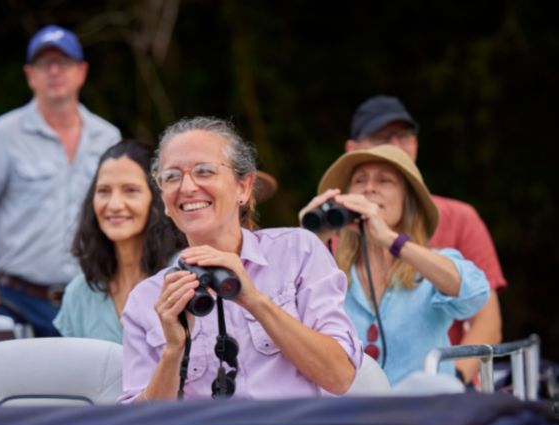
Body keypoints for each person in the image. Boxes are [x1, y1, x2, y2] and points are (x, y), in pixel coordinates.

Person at [119, 117, 362, 403]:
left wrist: (254, 300)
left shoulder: (298, 251)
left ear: (244, 188)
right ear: (164, 201)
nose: (186, 187)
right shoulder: (146, 299)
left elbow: (339, 377)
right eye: (171, 177)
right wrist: (174, 349)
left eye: (204, 171)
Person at [0, 25, 121, 337]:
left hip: (93, 299)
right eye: (43, 64)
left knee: (95, 386)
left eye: (62, 63)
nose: (53, 71)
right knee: (21, 387)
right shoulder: (2, 135)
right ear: (29, 75)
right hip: (17, 304)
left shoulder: (108, 137)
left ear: (81, 72)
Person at [340, 95, 507, 383]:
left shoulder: (460, 217)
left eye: (403, 136)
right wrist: (311, 238)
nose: (395, 146)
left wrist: (451, 379)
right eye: (381, 137)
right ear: (352, 150)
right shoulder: (336, 236)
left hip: (433, 388)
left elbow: (484, 315)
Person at [299, 145, 490, 385]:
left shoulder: (431, 266)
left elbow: (474, 295)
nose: (369, 188)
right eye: (359, 180)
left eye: (384, 181)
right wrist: (308, 239)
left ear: (407, 201)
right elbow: (277, 311)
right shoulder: (329, 275)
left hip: (421, 412)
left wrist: (390, 239)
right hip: (352, 413)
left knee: (433, 385)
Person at [52, 140, 186, 343]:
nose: (114, 204)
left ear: (157, 199)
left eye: (130, 190)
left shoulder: (182, 276)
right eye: (104, 191)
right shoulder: (78, 294)